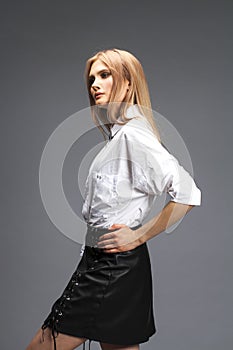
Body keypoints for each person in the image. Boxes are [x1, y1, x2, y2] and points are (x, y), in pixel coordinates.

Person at [26, 48, 201, 350]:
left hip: (113, 266)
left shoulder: (134, 135)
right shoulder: (118, 138)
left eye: (105, 75)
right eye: (92, 78)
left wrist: (139, 235)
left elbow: (187, 192)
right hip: (105, 263)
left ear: (129, 83)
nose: (94, 84)